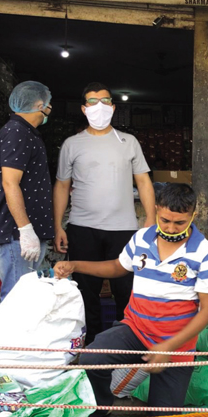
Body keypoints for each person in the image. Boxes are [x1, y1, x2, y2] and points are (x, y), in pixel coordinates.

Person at [54, 183, 208, 417]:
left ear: (194, 215)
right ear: (155, 210)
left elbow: (207, 311)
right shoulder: (142, 237)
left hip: (177, 348)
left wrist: (168, 348)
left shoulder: (205, 254)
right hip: (136, 328)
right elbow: (119, 267)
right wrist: (76, 264)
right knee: (92, 357)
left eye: (179, 222)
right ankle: (101, 407)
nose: (171, 227)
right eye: (165, 219)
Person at [53, 82, 155, 343]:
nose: (99, 107)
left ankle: (125, 348)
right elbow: (62, 186)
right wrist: (58, 226)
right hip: (82, 229)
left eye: (105, 101)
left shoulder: (128, 142)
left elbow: (143, 181)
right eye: (92, 102)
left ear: (113, 106)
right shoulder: (72, 144)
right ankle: (91, 350)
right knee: (85, 294)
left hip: (124, 230)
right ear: (84, 109)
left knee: (126, 292)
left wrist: (150, 221)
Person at [0, 81, 54, 301]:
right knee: (15, 301)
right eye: (48, 103)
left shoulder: (29, 133)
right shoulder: (17, 132)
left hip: (28, 234)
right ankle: (4, 338)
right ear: (38, 104)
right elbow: (10, 183)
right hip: (17, 235)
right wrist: (25, 230)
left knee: (26, 300)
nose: (50, 108)